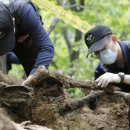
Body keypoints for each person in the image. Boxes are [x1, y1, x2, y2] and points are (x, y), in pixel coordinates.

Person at [84, 25, 130, 127]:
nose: (101, 54)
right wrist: (90, 91)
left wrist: (120, 77)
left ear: (114, 39)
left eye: (103, 48)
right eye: (96, 53)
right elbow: (97, 103)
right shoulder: (101, 69)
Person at [0, 0, 54, 80]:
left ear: (13, 21)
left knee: (39, 81)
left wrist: (33, 77)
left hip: (24, 38)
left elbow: (46, 48)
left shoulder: (24, 11)